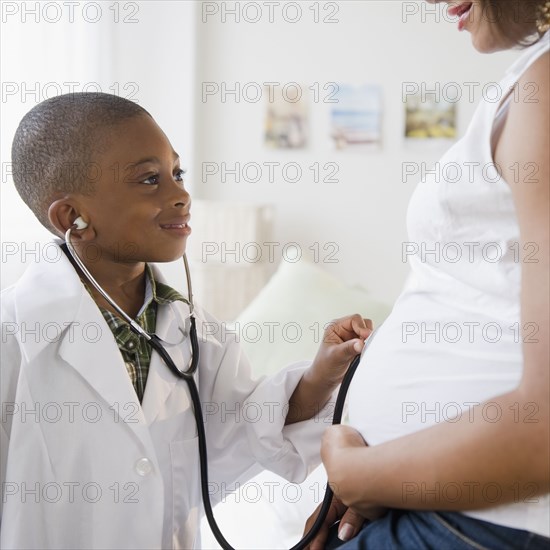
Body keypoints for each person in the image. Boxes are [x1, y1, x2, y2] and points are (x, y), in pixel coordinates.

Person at [0, 93, 373, 549]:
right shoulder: (13, 338)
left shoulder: (197, 335)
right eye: (149, 180)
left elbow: (252, 427)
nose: (180, 195)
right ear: (73, 216)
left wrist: (322, 372)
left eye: (177, 173)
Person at [305, 1, 550, 548]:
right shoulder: (530, 79)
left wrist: (360, 474)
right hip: (448, 508)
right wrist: (388, 476)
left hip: (484, 523)